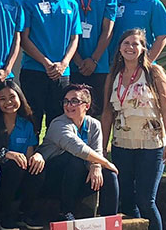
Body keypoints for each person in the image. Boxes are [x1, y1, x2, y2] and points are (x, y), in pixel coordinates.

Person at [102, 28, 166, 230]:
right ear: (120, 48)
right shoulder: (113, 75)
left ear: (143, 47)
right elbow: (107, 112)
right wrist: (102, 147)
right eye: (126, 43)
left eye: (135, 44)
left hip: (151, 145)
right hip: (122, 145)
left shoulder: (154, 73)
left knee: (146, 200)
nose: (130, 48)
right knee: (126, 199)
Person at [36, 84, 118, 222]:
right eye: (66, 101)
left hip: (77, 178)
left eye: (74, 101)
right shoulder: (58, 124)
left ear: (86, 105)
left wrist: (97, 166)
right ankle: (66, 212)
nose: (69, 105)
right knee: (75, 159)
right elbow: (78, 148)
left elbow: (97, 151)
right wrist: (105, 162)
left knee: (109, 175)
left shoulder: (94, 124)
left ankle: (111, 222)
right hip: (52, 179)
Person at [20, 0, 81, 133]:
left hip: (62, 73)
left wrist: (64, 63)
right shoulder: (28, 3)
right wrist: (46, 63)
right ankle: (30, 159)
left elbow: (74, 38)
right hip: (34, 71)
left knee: (60, 121)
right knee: (32, 120)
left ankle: (55, 160)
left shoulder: (71, 4)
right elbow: (24, 38)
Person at [60, 0, 117, 115]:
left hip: (98, 66)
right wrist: (77, 60)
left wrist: (93, 60)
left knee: (96, 112)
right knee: (69, 112)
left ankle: (96, 144)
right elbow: (62, 31)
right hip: (70, 65)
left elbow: (108, 30)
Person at [0, 80, 45, 230]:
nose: (8, 102)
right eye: (2, 99)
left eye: (12, 97)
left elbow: (29, 155)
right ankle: (4, 216)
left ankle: (26, 213)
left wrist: (37, 156)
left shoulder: (27, 124)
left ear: (20, 98)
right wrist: (7, 154)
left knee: (38, 167)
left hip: (20, 176)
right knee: (14, 165)